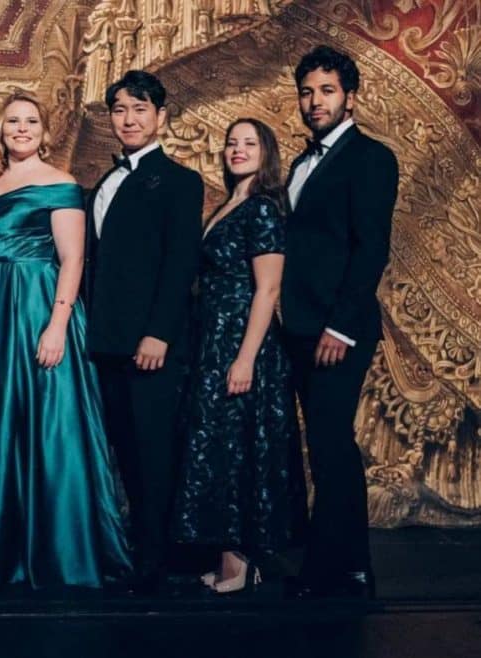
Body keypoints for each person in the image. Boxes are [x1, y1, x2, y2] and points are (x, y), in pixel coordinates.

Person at [0, 93, 131, 588]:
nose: (22, 129)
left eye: (31, 121)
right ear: (1, 129)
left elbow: (73, 260)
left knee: (45, 426)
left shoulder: (60, 184)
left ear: (45, 131)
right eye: (14, 121)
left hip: (38, 308)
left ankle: (56, 550)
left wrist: (57, 325)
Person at [170, 118, 306, 594]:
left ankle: (242, 564)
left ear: (266, 152)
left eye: (249, 143)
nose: (238, 150)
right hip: (214, 339)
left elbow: (268, 289)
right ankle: (230, 560)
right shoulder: (229, 204)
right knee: (222, 449)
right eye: (232, 143)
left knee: (240, 448)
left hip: (244, 342)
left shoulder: (263, 208)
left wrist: (246, 358)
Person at [282, 45, 397, 600]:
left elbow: (371, 249)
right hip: (299, 325)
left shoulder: (370, 157)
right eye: (307, 92)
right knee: (324, 447)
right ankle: (345, 565)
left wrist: (341, 327)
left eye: (326, 91)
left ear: (349, 98)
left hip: (338, 328)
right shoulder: (300, 163)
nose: (315, 102)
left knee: (331, 445)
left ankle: (339, 569)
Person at [81, 70, 203, 593]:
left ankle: (157, 559)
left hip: (149, 343)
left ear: (161, 116)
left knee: (154, 450)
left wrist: (158, 334)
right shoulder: (102, 182)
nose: (128, 119)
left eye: (139, 109)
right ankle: (136, 548)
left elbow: (180, 266)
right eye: (120, 110)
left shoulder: (179, 181)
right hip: (105, 341)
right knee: (125, 448)